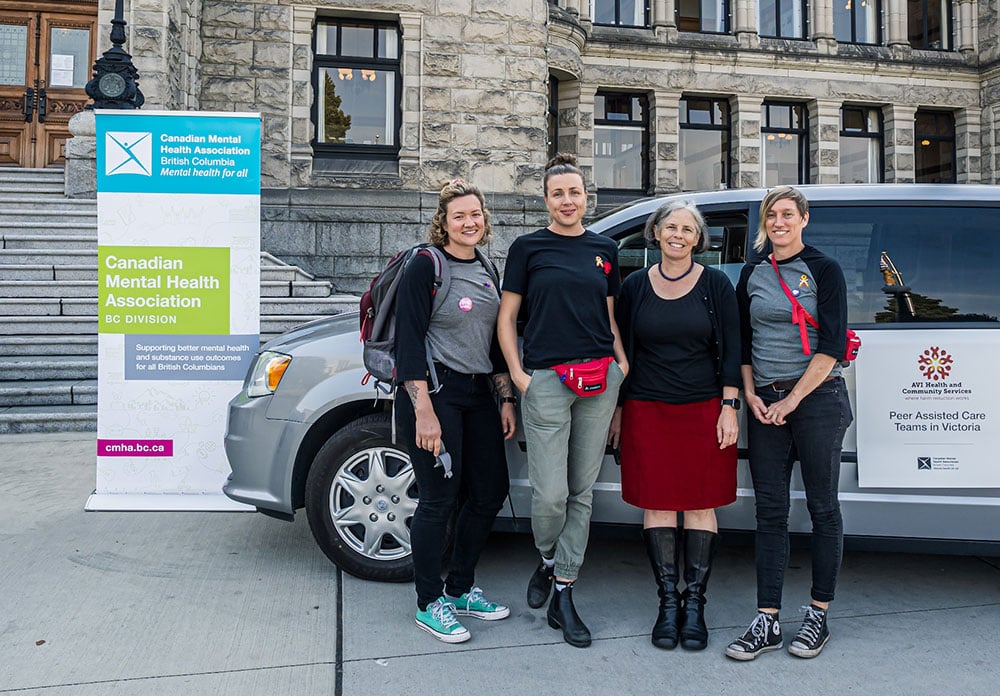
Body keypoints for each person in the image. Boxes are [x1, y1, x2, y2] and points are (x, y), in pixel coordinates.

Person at [497, 153, 628, 648]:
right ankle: (549, 560)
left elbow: (609, 315)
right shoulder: (528, 248)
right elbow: (507, 318)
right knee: (550, 494)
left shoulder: (605, 248)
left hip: (599, 379)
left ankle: (565, 592)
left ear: (585, 196)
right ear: (546, 199)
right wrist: (518, 375)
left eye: (575, 192)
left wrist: (622, 364)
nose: (568, 201)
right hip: (547, 380)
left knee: (583, 489)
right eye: (558, 193)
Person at [726, 185, 853, 661]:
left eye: (786, 214)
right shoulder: (755, 271)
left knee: (823, 509)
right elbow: (741, 342)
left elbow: (834, 345)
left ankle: (818, 614)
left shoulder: (824, 269)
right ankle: (768, 620)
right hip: (766, 404)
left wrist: (792, 401)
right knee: (771, 513)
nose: (778, 222)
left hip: (817, 399)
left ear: (803, 218)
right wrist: (752, 394)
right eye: (771, 216)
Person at [608, 200, 740, 652]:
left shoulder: (717, 285)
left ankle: (695, 605)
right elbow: (624, 353)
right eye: (671, 227)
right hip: (648, 409)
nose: (678, 235)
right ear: (656, 233)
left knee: (702, 506)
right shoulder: (635, 288)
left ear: (698, 239)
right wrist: (619, 410)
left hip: (703, 409)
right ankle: (668, 603)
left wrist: (729, 406)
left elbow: (732, 350)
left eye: (688, 228)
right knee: (658, 505)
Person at [394, 179, 518, 644]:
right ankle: (429, 602)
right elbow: (408, 341)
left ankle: (461, 587)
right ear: (442, 222)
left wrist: (505, 397)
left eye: (476, 215)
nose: (470, 222)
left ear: (485, 221)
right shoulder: (426, 265)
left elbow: (494, 342)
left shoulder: (487, 266)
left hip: (477, 393)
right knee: (438, 499)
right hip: (435, 394)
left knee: (490, 491)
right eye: (459, 216)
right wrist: (423, 409)